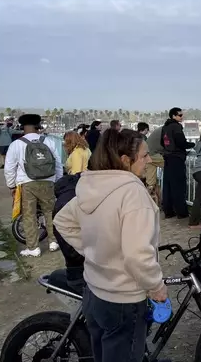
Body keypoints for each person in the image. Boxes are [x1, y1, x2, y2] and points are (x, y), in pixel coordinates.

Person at [54, 128, 167, 362]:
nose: (149, 161)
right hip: (123, 300)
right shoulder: (133, 193)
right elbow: (137, 256)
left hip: (94, 292)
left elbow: (63, 220)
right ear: (126, 160)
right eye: (145, 156)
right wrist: (157, 287)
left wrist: (94, 250)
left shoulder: (92, 184)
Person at [4, 114, 63, 257]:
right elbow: (58, 164)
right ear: (38, 126)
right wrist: (57, 181)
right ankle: (53, 242)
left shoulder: (17, 144)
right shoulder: (48, 141)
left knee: (29, 215)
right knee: (50, 212)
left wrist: (11, 185)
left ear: (23, 127)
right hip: (49, 182)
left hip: (27, 184)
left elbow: (9, 168)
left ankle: (33, 248)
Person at [160, 107, 194, 218]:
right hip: (176, 158)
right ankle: (181, 212)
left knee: (168, 186)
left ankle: (168, 211)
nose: (182, 117)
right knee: (179, 186)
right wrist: (192, 145)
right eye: (180, 115)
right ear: (173, 116)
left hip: (167, 158)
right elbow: (181, 142)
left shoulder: (165, 127)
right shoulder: (176, 127)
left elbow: (162, 142)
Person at [145, 126, 164, 207]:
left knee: (150, 182)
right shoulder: (167, 131)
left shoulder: (160, 130)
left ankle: (146, 202)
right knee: (171, 165)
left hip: (147, 154)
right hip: (153, 154)